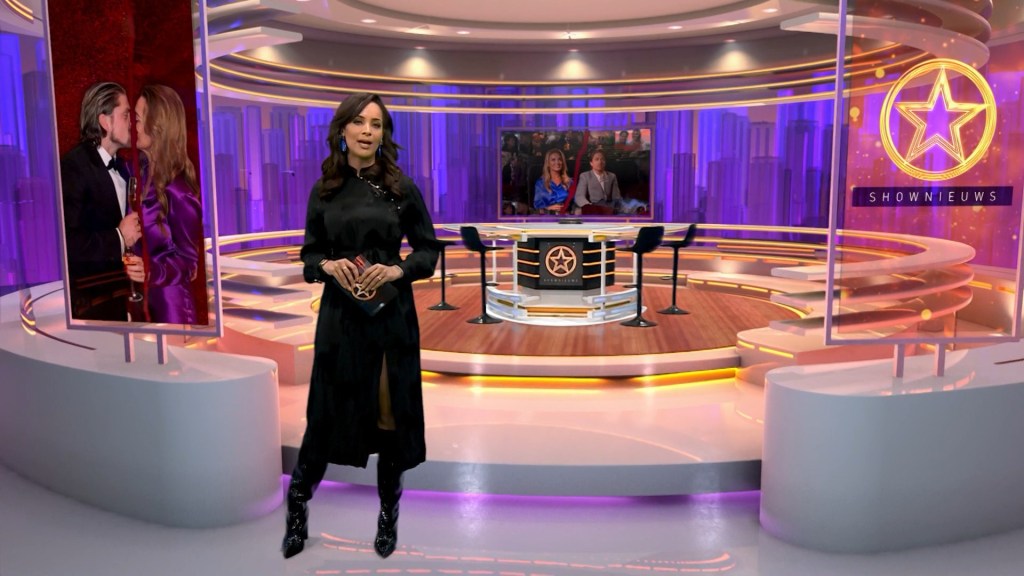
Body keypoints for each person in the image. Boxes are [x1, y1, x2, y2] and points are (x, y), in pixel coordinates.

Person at [282, 93, 439, 560]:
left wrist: (397, 270)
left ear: (383, 133)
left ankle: (388, 515)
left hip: (390, 319)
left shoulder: (401, 187)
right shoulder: (324, 189)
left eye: (377, 124)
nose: (368, 131)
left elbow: (427, 251)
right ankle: (297, 510)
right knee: (325, 416)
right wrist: (326, 266)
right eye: (359, 122)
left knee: (389, 420)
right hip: (340, 319)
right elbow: (310, 253)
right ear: (343, 129)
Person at [60, 81, 142, 320]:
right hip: (90, 308)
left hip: (119, 299)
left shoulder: (123, 167)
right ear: (105, 122)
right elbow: (68, 244)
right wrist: (119, 237)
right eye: (125, 115)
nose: (131, 122)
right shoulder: (73, 167)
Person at [128, 84, 204, 324]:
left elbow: (190, 264)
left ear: (158, 126)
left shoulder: (179, 191)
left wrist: (151, 270)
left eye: (137, 119)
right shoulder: (138, 175)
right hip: (141, 302)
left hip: (172, 308)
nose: (132, 126)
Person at [573, 149, 621, 214]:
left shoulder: (612, 176)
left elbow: (616, 197)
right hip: (593, 207)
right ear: (591, 163)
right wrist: (590, 207)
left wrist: (613, 208)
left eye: (602, 159)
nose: (600, 162)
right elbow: (579, 196)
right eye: (596, 159)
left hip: (609, 208)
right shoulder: (585, 176)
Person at [532, 148, 571, 214]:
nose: (557, 162)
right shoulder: (540, 183)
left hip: (565, 216)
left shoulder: (569, 182)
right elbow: (537, 205)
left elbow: (575, 203)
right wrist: (548, 208)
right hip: (547, 216)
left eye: (559, 159)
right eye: (553, 160)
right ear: (548, 163)